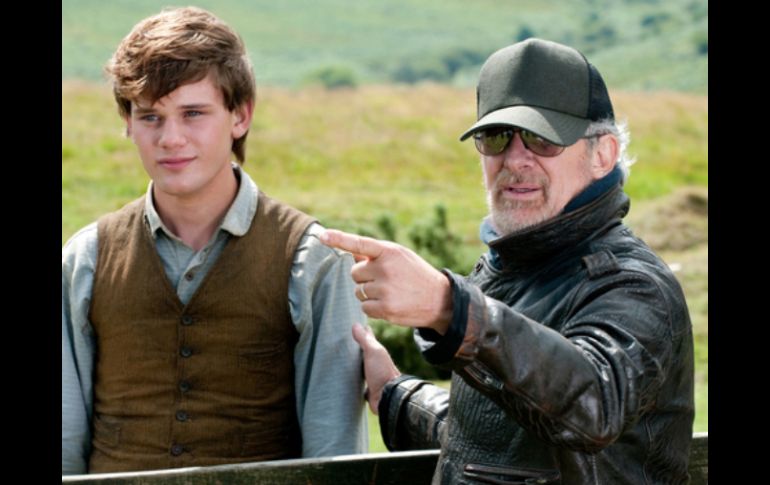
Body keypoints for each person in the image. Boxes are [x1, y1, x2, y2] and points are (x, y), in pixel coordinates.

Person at [321, 38, 694, 484]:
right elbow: (499, 442)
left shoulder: (634, 285)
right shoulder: (507, 271)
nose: (515, 159)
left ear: (602, 155)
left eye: (543, 139)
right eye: (496, 137)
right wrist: (394, 395)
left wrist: (450, 306)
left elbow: (592, 404)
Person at [61, 7, 367, 475]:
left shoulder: (314, 260)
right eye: (150, 117)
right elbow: (65, 443)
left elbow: (335, 455)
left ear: (240, 116)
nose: (170, 138)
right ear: (128, 124)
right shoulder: (86, 258)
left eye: (193, 113)